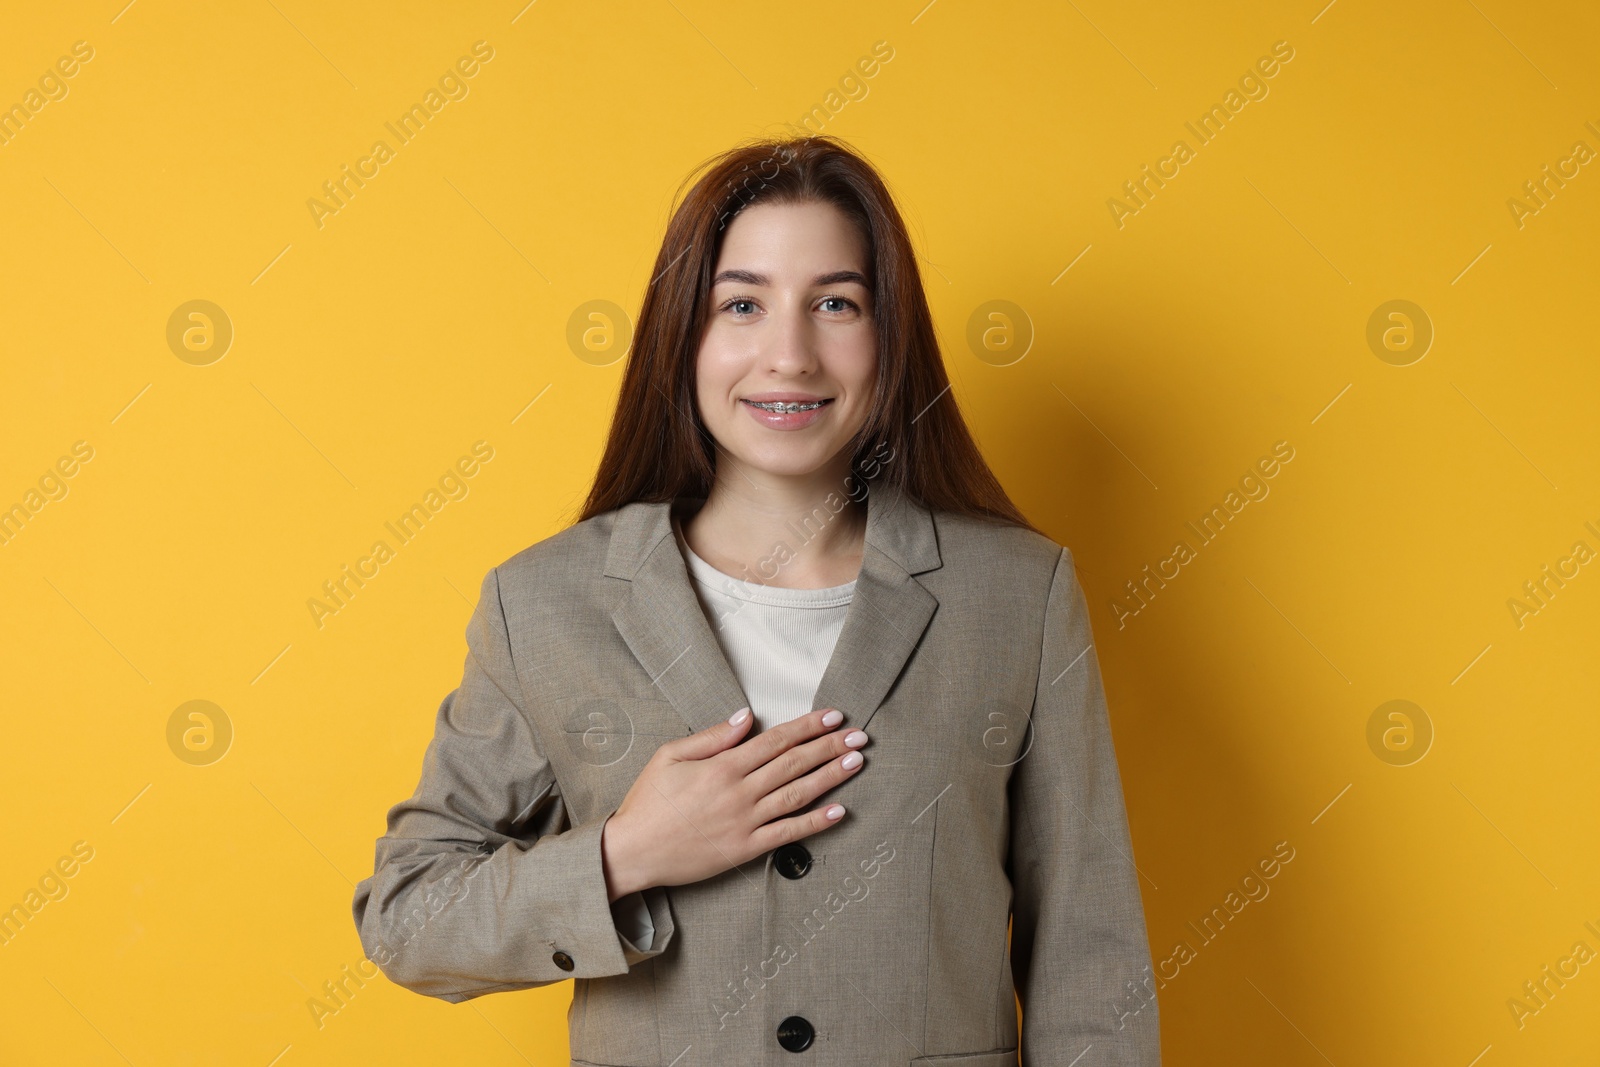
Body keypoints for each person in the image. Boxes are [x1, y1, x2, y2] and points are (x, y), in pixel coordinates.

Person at [352, 134, 1160, 1065]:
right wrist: (625, 853)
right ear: (682, 337)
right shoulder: (541, 604)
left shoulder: (1018, 594)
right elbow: (408, 916)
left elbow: (1092, 957)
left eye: (835, 304)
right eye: (742, 303)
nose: (790, 354)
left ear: (890, 333)